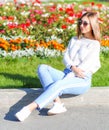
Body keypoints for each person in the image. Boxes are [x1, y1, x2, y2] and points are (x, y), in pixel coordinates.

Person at [15, 11, 101, 121]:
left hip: (82, 79)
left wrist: (69, 74)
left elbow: (85, 66)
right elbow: (66, 57)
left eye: (85, 23)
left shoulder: (95, 44)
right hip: (68, 72)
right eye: (80, 22)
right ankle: (57, 103)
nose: (81, 25)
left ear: (92, 26)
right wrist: (72, 68)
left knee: (59, 84)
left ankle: (28, 108)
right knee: (42, 68)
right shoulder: (74, 39)